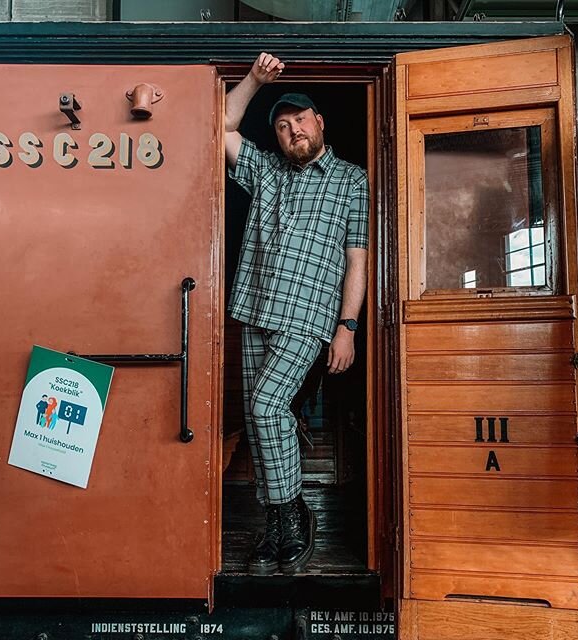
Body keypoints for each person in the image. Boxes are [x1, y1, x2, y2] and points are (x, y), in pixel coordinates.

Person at [225, 52, 369, 575]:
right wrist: (254, 81)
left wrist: (347, 328)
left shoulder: (352, 180)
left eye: (300, 120)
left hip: (308, 314)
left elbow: (357, 259)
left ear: (320, 123)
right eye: (283, 125)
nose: (292, 130)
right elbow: (220, 124)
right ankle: (276, 522)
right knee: (261, 421)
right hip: (254, 308)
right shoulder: (266, 171)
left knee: (266, 408)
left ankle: (293, 513)